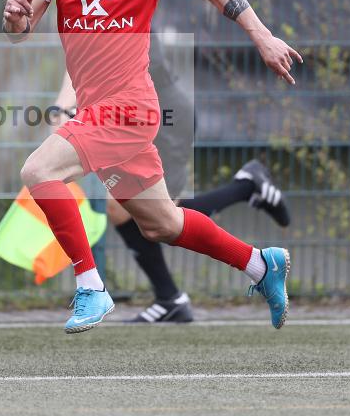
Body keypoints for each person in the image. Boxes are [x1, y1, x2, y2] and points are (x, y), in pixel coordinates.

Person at [2, 0, 303, 334]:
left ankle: (91, 288)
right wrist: (14, 18)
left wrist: (262, 37)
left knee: (39, 171)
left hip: (128, 110)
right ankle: (261, 266)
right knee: (162, 224)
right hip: (98, 112)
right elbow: (22, 27)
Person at [51, 60, 290, 324]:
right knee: (128, 210)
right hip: (125, 115)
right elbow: (75, 69)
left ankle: (246, 190)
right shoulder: (81, 26)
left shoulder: (120, 22)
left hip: (159, 115)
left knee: (161, 214)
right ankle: (171, 297)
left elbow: (98, 69)